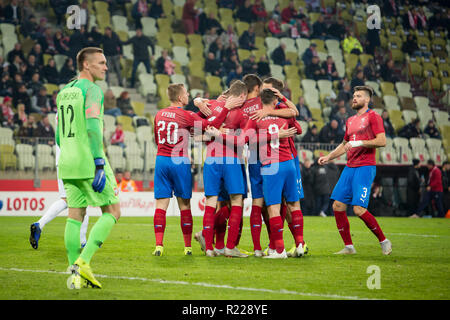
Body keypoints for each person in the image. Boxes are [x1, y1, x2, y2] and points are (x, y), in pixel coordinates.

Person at [57, 47, 121, 290]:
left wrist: (70, 153)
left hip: (68, 162)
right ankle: (84, 262)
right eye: (101, 63)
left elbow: (58, 134)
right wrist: (97, 162)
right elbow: (94, 126)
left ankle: (73, 273)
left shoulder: (64, 92)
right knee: (113, 211)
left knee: (75, 215)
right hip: (88, 159)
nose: (105, 67)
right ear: (86, 65)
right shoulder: (92, 90)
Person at [152, 83, 239, 257]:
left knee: (161, 205)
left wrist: (198, 108)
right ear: (179, 97)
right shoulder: (186, 115)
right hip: (180, 161)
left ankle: (159, 245)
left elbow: (157, 137)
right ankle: (187, 247)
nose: (188, 95)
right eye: (186, 93)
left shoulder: (159, 114)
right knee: (184, 205)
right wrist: (225, 109)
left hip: (161, 160)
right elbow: (210, 123)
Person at [318, 85, 392, 255]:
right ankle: (349, 247)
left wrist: (360, 143)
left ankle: (383, 240)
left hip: (365, 167)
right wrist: (329, 157)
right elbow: (345, 145)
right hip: (350, 167)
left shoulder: (374, 116)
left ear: (367, 100)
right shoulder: (350, 120)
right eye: (354, 96)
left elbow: (382, 141)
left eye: (358, 96)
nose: (354, 98)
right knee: (337, 206)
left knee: (358, 209)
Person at [29, 143, 89, 251]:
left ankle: (39, 224)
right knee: (81, 200)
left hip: (61, 161)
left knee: (65, 199)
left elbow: (57, 137)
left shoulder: (59, 125)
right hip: (74, 160)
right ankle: (83, 241)